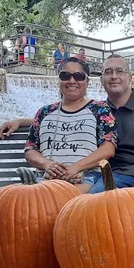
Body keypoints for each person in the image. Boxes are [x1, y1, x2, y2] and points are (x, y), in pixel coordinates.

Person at [0, 54, 134, 214]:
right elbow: (66, 117)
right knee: (88, 207)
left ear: (130, 77)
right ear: (101, 80)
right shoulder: (98, 110)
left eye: (119, 71)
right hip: (115, 173)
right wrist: (22, 122)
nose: (114, 76)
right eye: (108, 72)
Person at [22, 57, 117, 193]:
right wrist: (47, 164)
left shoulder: (100, 110)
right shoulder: (44, 112)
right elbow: (30, 149)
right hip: (46, 179)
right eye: (65, 75)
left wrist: (76, 167)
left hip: (86, 178)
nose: (72, 81)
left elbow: (108, 149)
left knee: (63, 201)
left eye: (78, 76)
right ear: (59, 79)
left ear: (87, 81)